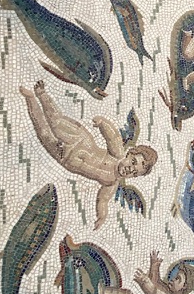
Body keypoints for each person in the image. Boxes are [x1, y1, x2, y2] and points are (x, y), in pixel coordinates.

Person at [19, 81, 157, 229]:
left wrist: (102, 216)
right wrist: (102, 123)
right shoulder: (117, 153)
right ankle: (42, 94)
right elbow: (112, 137)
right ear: (129, 154)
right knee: (56, 123)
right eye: (133, 162)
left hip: (65, 158)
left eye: (135, 173)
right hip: (79, 141)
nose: (130, 169)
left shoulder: (111, 183)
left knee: (43, 132)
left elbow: (103, 200)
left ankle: (31, 98)